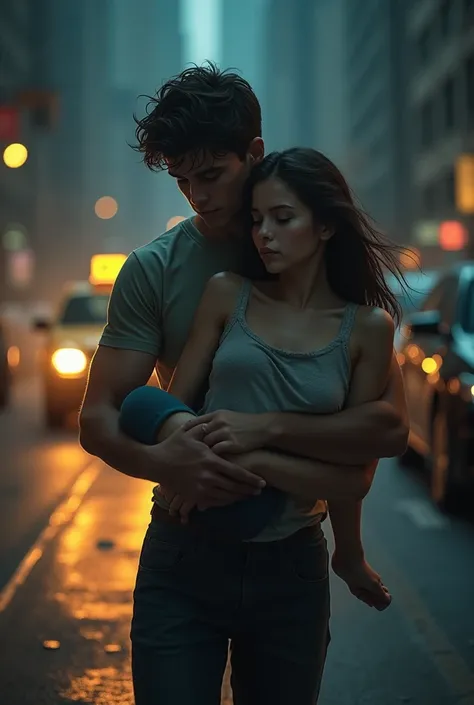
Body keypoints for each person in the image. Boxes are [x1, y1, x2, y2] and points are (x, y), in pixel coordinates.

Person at [79, 64, 409, 705]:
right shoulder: (156, 269)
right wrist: (164, 463)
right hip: (185, 547)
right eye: (182, 181)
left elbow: (375, 431)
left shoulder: (318, 256)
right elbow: (99, 415)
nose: (198, 197)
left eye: (211, 175)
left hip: (290, 553)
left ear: (252, 153)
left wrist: (346, 545)